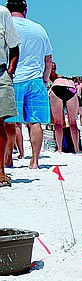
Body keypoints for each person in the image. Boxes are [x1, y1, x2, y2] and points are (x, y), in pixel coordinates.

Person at [6, 0, 49, 170]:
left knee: (9, 122)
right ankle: (35, 161)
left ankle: (8, 158)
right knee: (36, 122)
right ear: (26, 9)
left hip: (12, 78)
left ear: (7, 9)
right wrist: (45, 80)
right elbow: (48, 59)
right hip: (35, 80)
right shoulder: (39, 29)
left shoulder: (5, 26)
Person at [0, 4, 19, 186]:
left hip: (0, 74)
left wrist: (10, 73)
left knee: (1, 124)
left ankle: (0, 172)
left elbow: (14, 48)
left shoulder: (2, 13)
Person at [48, 62, 79, 153]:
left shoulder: (50, 77)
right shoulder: (60, 77)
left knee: (58, 123)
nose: (53, 70)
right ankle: (76, 148)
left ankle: (60, 149)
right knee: (72, 123)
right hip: (70, 87)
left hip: (58, 89)